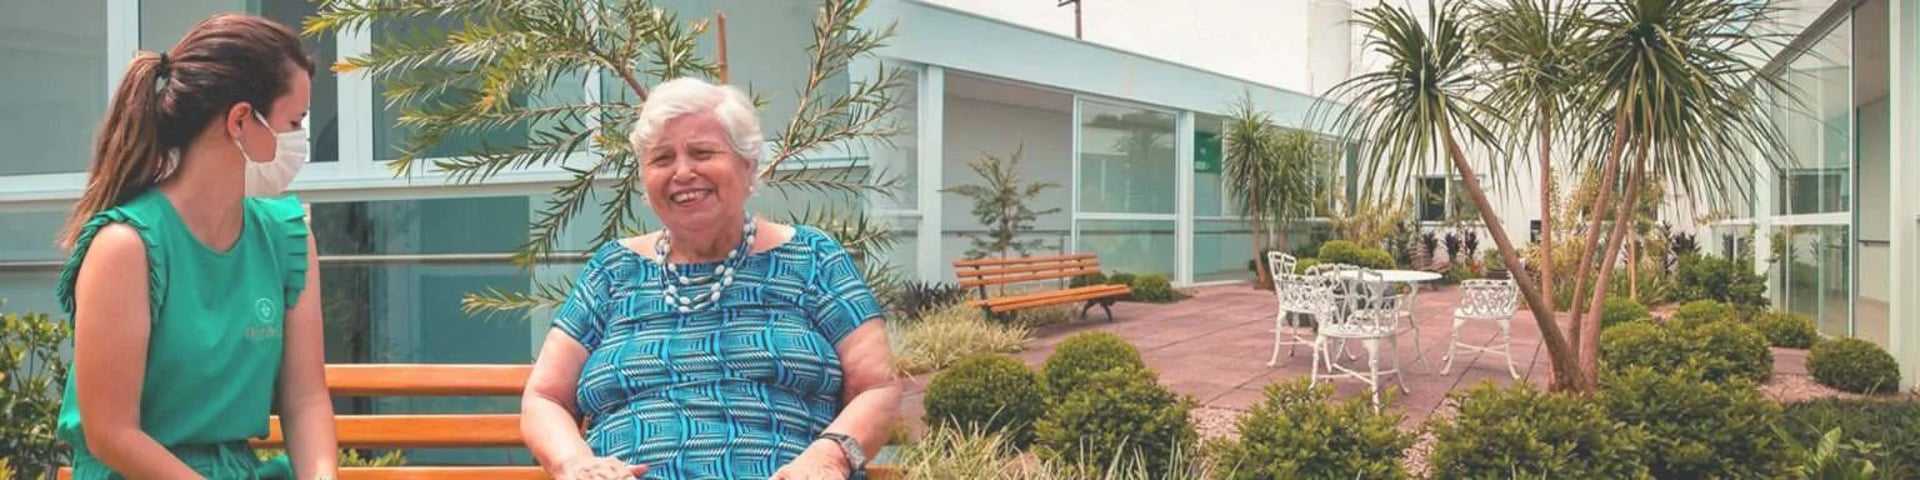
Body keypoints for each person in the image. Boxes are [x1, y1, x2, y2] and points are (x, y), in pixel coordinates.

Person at [521, 77, 900, 480]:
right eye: (662, 159)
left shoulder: (813, 258)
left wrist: (828, 459)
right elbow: (545, 396)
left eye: (703, 153)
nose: (683, 172)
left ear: (748, 164)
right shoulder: (614, 270)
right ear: (646, 183)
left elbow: (878, 387)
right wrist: (575, 463)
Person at [54, 13, 337, 479]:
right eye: (294, 121)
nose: (299, 142)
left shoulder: (287, 236)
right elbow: (111, 433)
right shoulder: (125, 247)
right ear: (241, 120)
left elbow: (305, 397)